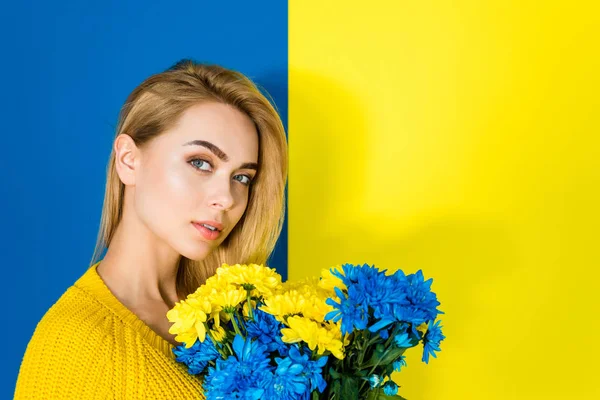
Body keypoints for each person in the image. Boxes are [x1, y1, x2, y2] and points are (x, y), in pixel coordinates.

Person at [14, 59, 288, 399]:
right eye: (200, 163)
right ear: (129, 160)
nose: (226, 198)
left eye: (242, 178)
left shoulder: (234, 323)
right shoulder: (73, 341)